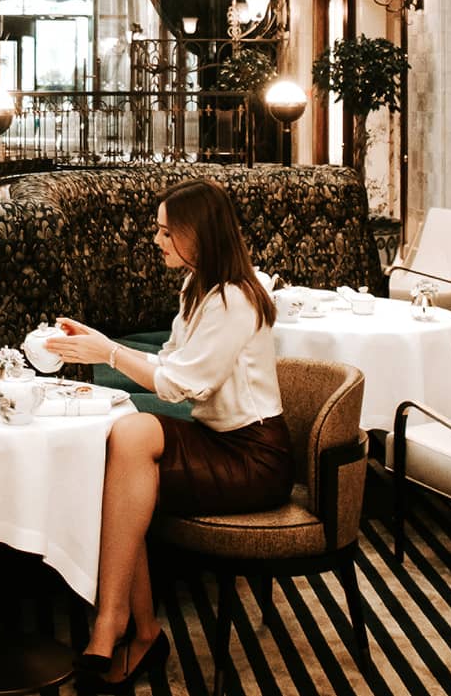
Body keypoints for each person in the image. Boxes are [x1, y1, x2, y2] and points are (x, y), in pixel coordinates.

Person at [50, 177, 290, 690]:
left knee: (131, 439)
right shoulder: (197, 286)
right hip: (220, 441)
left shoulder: (235, 300)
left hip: (254, 457)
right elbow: (170, 362)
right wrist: (103, 342)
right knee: (125, 439)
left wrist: (107, 353)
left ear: (197, 235)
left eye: (165, 232)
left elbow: (179, 386)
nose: (156, 240)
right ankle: (133, 627)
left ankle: (121, 626)